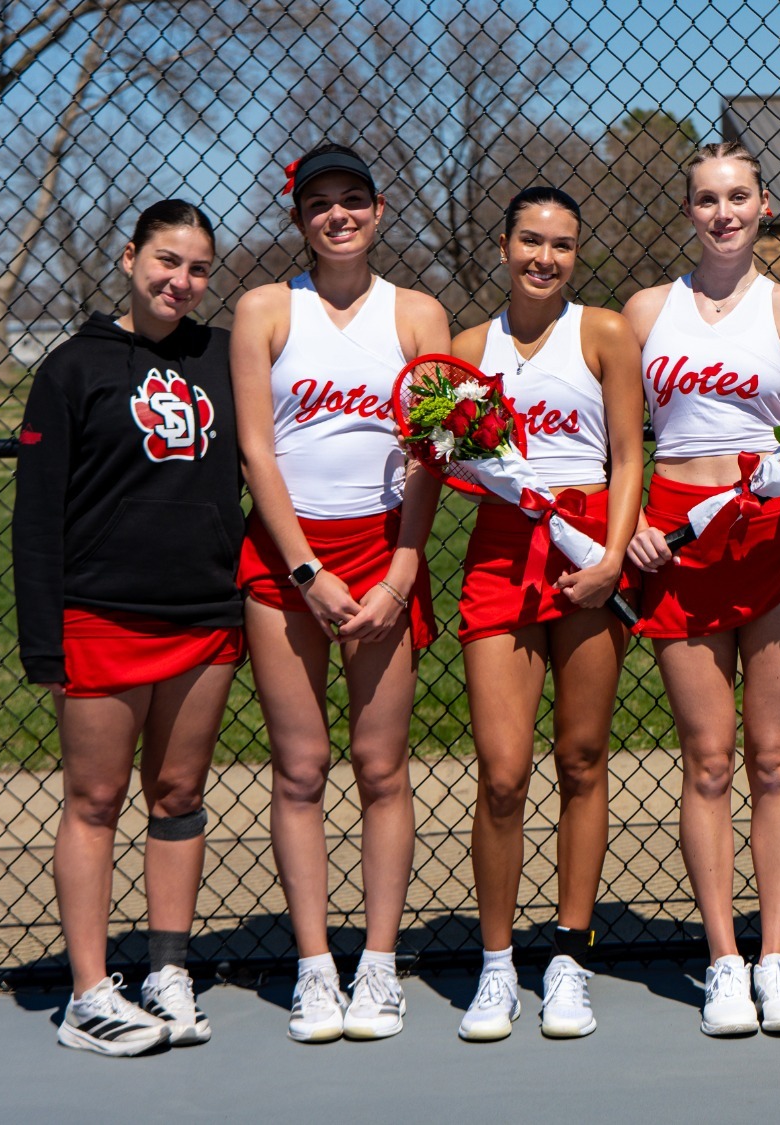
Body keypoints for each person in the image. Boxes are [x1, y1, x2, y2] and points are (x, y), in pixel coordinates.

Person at [230, 143, 449, 1043]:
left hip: (385, 546)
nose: (338, 215)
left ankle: (380, 964)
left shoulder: (420, 313)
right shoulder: (263, 310)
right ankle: (316, 966)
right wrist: (307, 573)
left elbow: (438, 446)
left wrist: (401, 570)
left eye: (353, 199)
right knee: (301, 766)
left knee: (380, 764)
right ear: (299, 219)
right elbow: (257, 451)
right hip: (289, 558)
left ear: (380, 208)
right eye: (319, 203)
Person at [14, 199, 239, 1055]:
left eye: (196, 268)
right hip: (101, 615)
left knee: (178, 795)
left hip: (204, 612)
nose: (180, 281)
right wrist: (45, 638)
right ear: (129, 258)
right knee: (97, 798)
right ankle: (87, 991)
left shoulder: (219, 356)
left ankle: (169, 971)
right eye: (166, 261)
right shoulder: (74, 366)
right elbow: (36, 517)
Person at [623, 141, 780, 1036]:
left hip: (775, 535)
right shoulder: (641, 312)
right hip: (673, 537)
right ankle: (723, 960)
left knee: (774, 757)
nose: (723, 212)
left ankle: (776, 956)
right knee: (708, 760)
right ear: (688, 210)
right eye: (706, 198)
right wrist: (625, 523)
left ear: (765, 203)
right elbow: (619, 441)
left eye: (738, 195)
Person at [446, 186, 645, 1041]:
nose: (545, 258)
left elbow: (632, 452)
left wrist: (610, 557)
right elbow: (440, 455)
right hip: (502, 551)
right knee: (501, 770)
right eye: (531, 240)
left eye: (562, 245)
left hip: (590, 545)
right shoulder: (463, 347)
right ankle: (497, 964)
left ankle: (568, 953)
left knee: (583, 755)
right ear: (502, 245)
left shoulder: (602, 333)